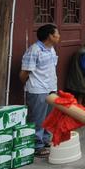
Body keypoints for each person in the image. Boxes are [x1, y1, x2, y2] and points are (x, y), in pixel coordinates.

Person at [20, 24, 59, 156]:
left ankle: (45, 140)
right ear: (50, 36)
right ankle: (36, 145)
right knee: (37, 119)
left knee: (49, 117)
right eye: (57, 34)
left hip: (51, 88)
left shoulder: (51, 49)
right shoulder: (34, 50)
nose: (59, 36)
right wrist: (31, 85)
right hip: (37, 90)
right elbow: (24, 73)